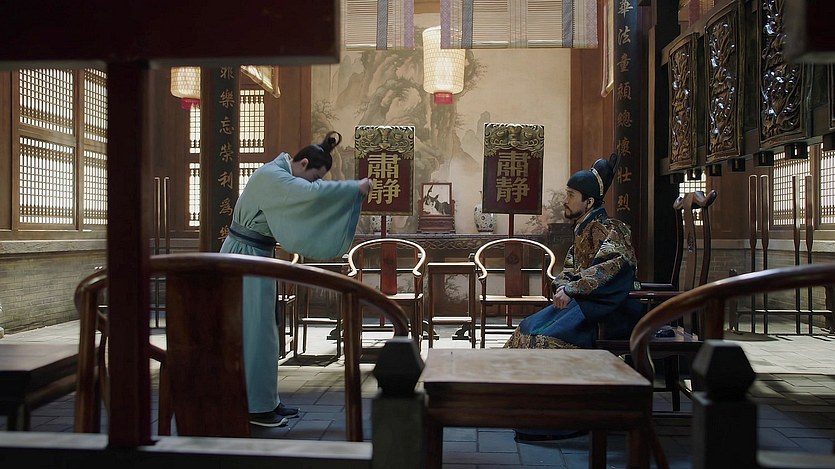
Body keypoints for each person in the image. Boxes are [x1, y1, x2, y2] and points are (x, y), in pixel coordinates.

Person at [220, 131, 372, 427]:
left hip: (256, 257)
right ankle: (255, 408)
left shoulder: (279, 175)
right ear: (302, 164)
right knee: (255, 332)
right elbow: (310, 195)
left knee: (265, 333)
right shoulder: (272, 177)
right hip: (244, 258)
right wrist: (354, 187)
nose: (313, 184)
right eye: (313, 177)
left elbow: (310, 194)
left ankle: (265, 401)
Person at [504, 153, 643, 441]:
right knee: (526, 330)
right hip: (586, 304)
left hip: (611, 310)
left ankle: (566, 419)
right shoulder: (583, 229)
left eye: (570, 195)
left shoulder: (611, 229)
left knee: (546, 340)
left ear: (588, 202)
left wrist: (572, 289)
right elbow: (570, 267)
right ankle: (523, 412)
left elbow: (611, 268)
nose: (565, 200)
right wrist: (564, 285)